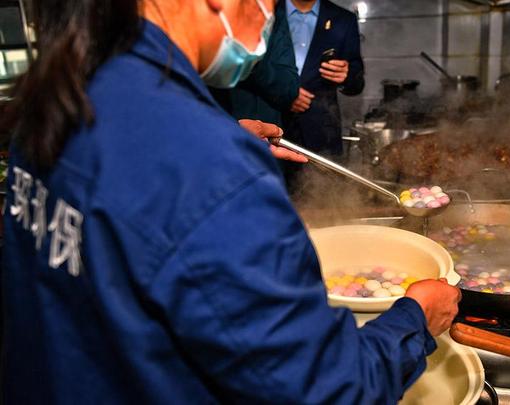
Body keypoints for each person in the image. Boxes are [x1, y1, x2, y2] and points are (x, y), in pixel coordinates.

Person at [0, 0, 460, 404]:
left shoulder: (59, 96)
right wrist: (415, 320)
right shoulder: (212, 169)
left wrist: (217, 144)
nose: (268, 22)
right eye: (268, 4)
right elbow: (327, 390)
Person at [282, 0, 365, 156]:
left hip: (321, 133)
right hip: (270, 127)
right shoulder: (267, 12)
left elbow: (357, 81)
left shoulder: (343, 19)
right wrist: (282, 92)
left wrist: (346, 76)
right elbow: (247, 68)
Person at [210, 0, 300, 128]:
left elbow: (289, 89)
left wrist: (251, 62)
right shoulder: (208, 17)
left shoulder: (273, 15)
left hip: (263, 130)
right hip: (213, 125)